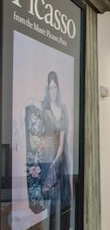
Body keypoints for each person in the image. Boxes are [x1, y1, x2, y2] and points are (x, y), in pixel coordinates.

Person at [40, 71, 72, 221]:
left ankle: (63, 224)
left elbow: (62, 140)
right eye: (50, 88)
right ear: (48, 89)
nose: (53, 91)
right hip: (47, 156)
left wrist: (56, 159)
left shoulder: (63, 110)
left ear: (58, 89)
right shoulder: (44, 107)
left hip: (59, 157)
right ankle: (50, 223)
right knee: (49, 198)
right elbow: (28, 103)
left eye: (55, 88)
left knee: (64, 196)